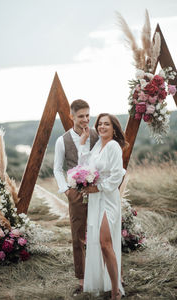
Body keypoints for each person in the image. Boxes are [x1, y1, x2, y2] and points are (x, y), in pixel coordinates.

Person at [78, 113, 127, 300]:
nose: (102, 127)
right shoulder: (98, 145)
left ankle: (116, 291)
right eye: (100, 124)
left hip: (107, 198)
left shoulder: (114, 146)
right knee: (100, 243)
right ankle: (108, 285)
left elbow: (116, 176)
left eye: (106, 124)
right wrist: (83, 143)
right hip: (96, 200)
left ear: (114, 128)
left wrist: (97, 188)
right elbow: (84, 166)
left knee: (106, 243)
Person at [53, 99, 99, 295]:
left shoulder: (97, 135)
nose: (85, 119)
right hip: (76, 195)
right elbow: (57, 168)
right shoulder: (62, 140)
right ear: (71, 116)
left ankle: (101, 274)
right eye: (81, 116)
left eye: (88, 115)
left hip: (97, 193)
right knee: (78, 236)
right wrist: (67, 191)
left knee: (99, 235)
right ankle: (82, 280)